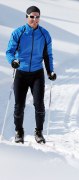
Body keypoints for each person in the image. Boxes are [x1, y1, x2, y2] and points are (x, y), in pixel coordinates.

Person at [6, 6, 56, 144]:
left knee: (39, 104)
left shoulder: (45, 34)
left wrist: (50, 71)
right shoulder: (18, 33)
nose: (35, 19)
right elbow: (9, 52)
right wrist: (13, 61)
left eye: (37, 17)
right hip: (21, 73)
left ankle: (38, 132)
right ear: (27, 16)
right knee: (19, 105)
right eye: (32, 16)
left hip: (37, 74)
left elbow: (48, 55)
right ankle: (19, 131)